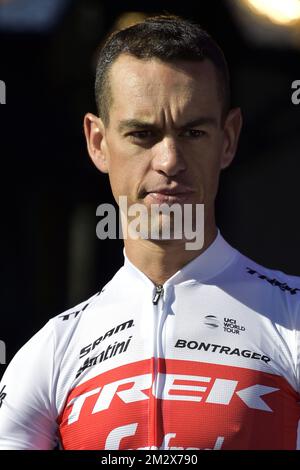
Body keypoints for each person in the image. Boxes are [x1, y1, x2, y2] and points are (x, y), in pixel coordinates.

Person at [0, 15, 299, 451]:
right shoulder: (50, 351)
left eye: (193, 132)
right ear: (98, 142)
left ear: (228, 139)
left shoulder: (291, 318)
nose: (169, 161)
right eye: (142, 134)